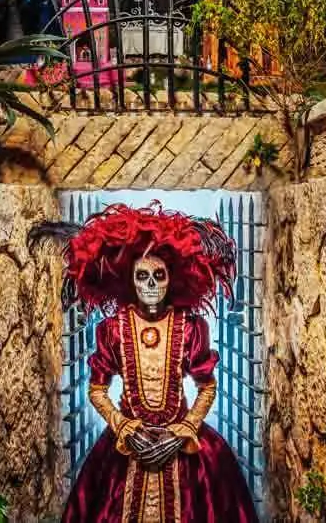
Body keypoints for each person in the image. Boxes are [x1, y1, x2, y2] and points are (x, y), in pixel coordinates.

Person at [38, 203, 259, 523]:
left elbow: (207, 387)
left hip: (181, 441)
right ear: (131, 281)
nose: (151, 284)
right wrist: (123, 427)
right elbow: (97, 389)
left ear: (172, 279)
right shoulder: (113, 329)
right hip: (129, 443)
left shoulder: (191, 327)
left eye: (159, 275)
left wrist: (183, 431)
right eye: (143, 276)